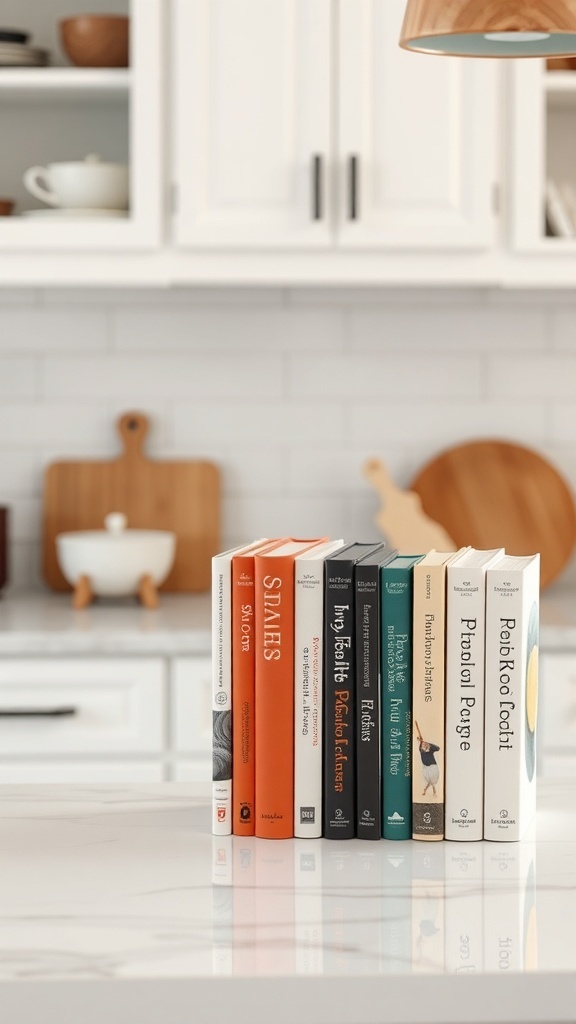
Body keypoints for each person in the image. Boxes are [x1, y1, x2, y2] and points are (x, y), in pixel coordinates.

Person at [415, 720, 440, 798]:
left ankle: (430, 790)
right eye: (423, 745)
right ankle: (429, 790)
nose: (423, 746)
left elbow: (438, 748)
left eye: (425, 745)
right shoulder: (421, 750)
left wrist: (429, 745)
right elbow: (419, 741)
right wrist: (420, 740)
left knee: (432, 780)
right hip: (425, 767)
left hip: (432, 766)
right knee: (428, 780)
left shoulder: (430, 749)